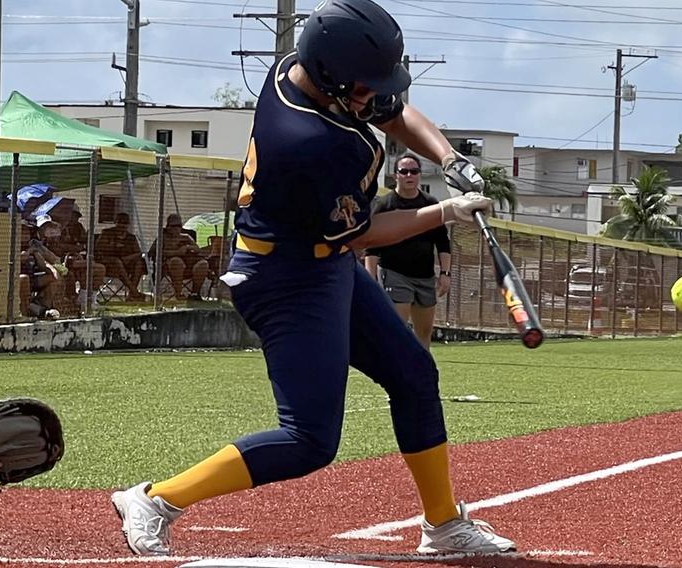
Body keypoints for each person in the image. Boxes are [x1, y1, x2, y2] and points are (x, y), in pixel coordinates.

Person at [111, 0, 514, 557]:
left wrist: (450, 159)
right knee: (309, 440)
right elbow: (367, 232)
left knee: (415, 375)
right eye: (364, 86)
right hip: (282, 278)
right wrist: (446, 212)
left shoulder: (299, 71)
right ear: (331, 76)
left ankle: (443, 524)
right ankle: (154, 499)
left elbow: (397, 114)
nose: (373, 95)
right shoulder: (312, 143)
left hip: (323, 261)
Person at [364, 154, 452, 349]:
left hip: (424, 277)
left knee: (424, 332)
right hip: (394, 275)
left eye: (414, 171)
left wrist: (445, 273)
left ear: (420, 175)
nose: (409, 175)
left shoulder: (431, 204)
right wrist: (371, 281)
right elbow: (372, 247)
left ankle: (423, 374)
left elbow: (443, 242)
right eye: (404, 171)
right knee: (399, 329)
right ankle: (397, 374)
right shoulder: (384, 205)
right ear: (396, 175)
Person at [147, 213, 210, 300]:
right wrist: (177, 252)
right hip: (169, 267)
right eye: (174, 226)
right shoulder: (162, 238)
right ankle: (178, 293)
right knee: (177, 262)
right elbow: (154, 252)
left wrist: (187, 247)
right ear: (168, 226)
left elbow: (198, 249)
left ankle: (195, 293)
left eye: (179, 226)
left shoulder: (186, 237)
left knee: (203, 264)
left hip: (188, 266)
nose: (177, 228)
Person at [96, 212, 148, 301]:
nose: (122, 226)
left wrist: (128, 258)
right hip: (108, 264)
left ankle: (131, 294)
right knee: (117, 261)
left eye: (125, 223)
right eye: (120, 222)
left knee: (139, 263)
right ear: (115, 222)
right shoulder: (107, 233)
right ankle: (134, 292)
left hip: (126, 265)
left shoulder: (131, 238)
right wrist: (113, 246)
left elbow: (138, 253)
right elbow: (99, 248)